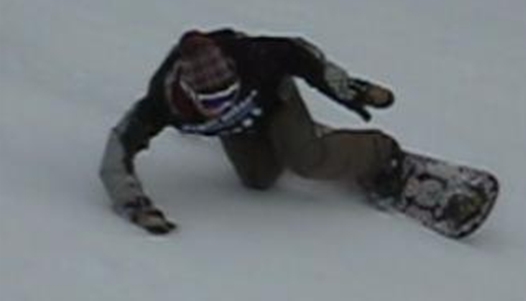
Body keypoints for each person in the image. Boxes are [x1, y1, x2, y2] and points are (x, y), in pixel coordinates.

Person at [99, 28, 405, 234]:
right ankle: (287, 140)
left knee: (307, 161)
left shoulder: (253, 57)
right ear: (189, 93)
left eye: (228, 93)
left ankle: (380, 153)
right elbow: (117, 153)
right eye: (212, 101)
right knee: (258, 180)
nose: (222, 104)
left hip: (277, 103)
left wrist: (349, 88)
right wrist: (134, 205)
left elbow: (302, 54)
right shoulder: (163, 103)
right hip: (240, 128)